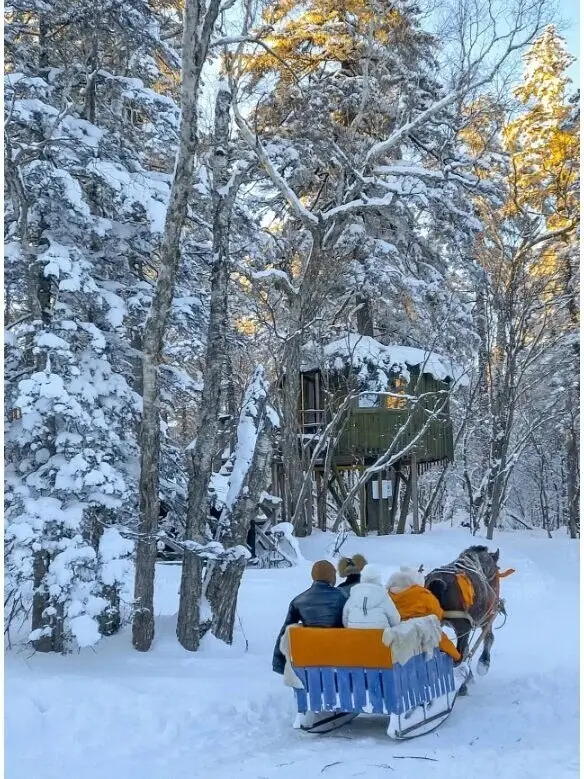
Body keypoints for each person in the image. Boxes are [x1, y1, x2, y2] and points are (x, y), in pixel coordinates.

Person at [272, 560, 347, 674]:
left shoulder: (298, 600)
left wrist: (279, 664)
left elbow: (285, 631)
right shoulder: (343, 596)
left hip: (310, 661)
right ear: (331, 577)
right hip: (340, 659)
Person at [386, 566, 461, 662]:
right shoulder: (422, 594)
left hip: (394, 632)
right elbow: (437, 614)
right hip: (420, 632)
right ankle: (457, 660)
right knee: (444, 642)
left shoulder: (387, 595)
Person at [342, 564, 401, 629]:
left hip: (355, 637)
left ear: (362, 578)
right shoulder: (384, 597)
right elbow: (396, 621)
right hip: (379, 637)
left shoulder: (353, 596)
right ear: (378, 579)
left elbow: (345, 619)